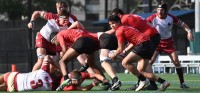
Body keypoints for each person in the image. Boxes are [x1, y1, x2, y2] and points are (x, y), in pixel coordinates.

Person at [108, 14, 170, 91]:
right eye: (110, 24)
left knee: (125, 63)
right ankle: (163, 82)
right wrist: (119, 55)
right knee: (141, 70)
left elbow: (120, 49)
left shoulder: (119, 31)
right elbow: (130, 44)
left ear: (119, 22)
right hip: (148, 45)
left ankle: (143, 80)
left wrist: (114, 54)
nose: (112, 26)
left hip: (144, 45)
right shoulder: (127, 27)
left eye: (113, 23)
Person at [51, 28, 121, 90]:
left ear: (54, 38)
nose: (56, 45)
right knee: (92, 64)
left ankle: (66, 80)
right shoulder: (71, 31)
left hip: (82, 41)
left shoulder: (59, 35)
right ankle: (106, 83)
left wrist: (62, 55)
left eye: (53, 43)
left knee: (62, 61)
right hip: (90, 42)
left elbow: (64, 49)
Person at [146, 1, 193, 89]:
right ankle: (151, 83)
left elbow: (183, 25)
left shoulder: (171, 18)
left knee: (176, 61)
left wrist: (189, 32)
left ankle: (182, 83)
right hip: (156, 41)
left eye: (162, 10)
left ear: (165, 11)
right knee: (149, 62)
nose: (160, 11)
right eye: (158, 9)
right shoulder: (152, 18)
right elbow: (143, 24)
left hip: (168, 42)